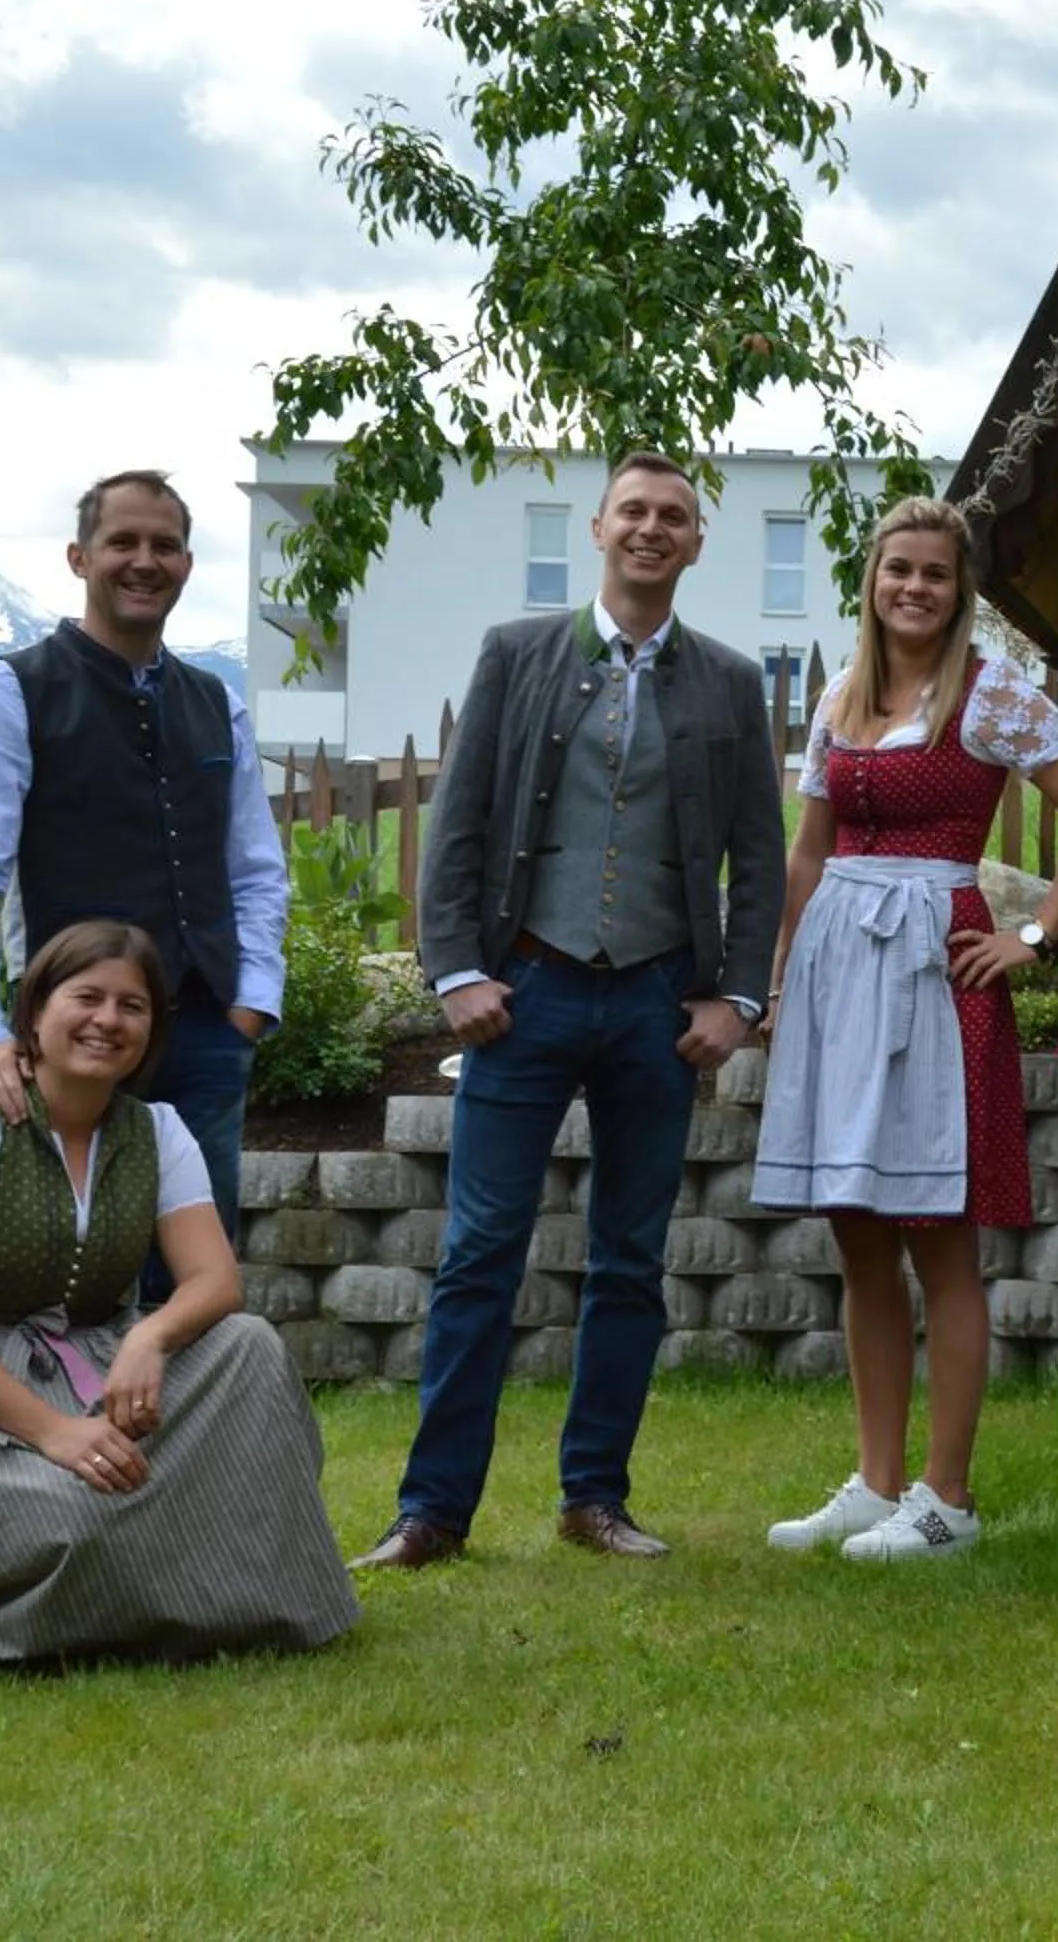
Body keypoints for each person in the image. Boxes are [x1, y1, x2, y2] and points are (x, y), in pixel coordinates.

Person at [352, 452, 785, 1572]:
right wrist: (455, 969)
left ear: (696, 543)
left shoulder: (730, 681)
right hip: (527, 990)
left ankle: (595, 1495)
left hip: (656, 1001)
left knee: (631, 1258)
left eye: (673, 517)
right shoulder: (518, 652)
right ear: (598, 527)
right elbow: (459, 820)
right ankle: (432, 1510)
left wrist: (736, 994)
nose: (650, 529)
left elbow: (756, 849)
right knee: (479, 1253)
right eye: (633, 511)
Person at [0, 922, 357, 1663]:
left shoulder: (158, 1132)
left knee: (249, 1346)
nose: (108, 1020)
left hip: (99, 1366)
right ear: (34, 1013)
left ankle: (135, 1564)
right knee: (77, 1519)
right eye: (86, 997)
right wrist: (56, 1433)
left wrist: (149, 1337)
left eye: (133, 1006)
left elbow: (215, 1281)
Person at [755, 497, 1058, 1560]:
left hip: (936, 959)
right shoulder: (841, 694)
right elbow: (809, 851)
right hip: (838, 964)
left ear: (959, 589)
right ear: (872, 580)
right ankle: (876, 1482)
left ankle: (947, 1496)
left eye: (935, 574)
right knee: (859, 1235)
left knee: (940, 1241)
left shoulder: (990, 688)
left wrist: (1038, 933)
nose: (914, 588)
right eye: (898, 570)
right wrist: (783, 979)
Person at [0, 470, 285, 1296]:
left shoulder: (217, 704)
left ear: (189, 564)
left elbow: (255, 868)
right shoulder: (8, 691)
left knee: (193, 1280)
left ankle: (187, 1428)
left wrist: (252, 1000)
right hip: (71, 1032)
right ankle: (54, 1426)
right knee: (59, 1269)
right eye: (123, 542)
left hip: (203, 1030)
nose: (144, 560)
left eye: (164, 545)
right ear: (80, 557)